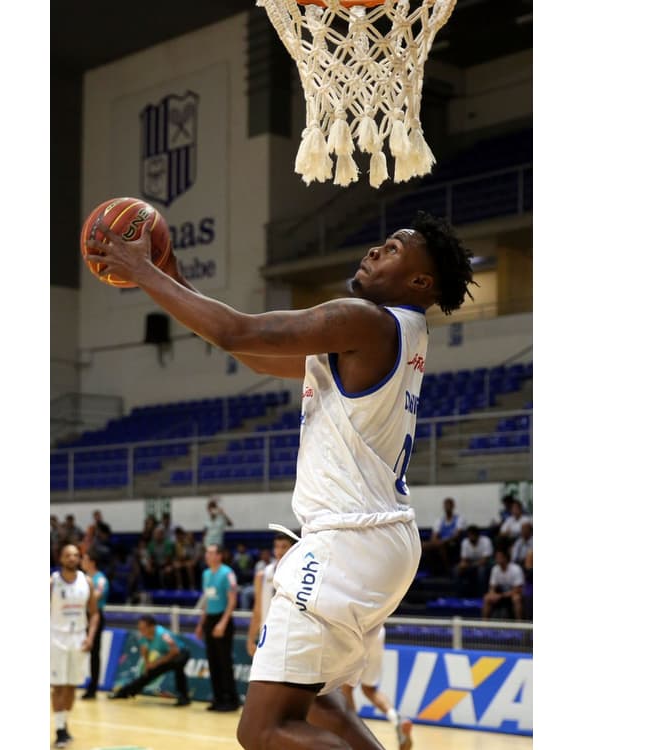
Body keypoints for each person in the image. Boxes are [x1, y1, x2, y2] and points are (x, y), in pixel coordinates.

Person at [85, 209, 475, 750]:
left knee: (261, 729)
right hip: (376, 542)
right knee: (322, 702)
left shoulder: (365, 319)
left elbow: (235, 330)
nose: (373, 251)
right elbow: (253, 355)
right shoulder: (392, 335)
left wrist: (141, 269)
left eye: (391, 248)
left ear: (420, 281)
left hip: (348, 542)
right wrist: (169, 272)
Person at [51, 544, 99, 749]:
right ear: (60, 559)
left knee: (71, 685)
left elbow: (94, 613)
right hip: (56, 636)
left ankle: (64, 723)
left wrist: (90, 637)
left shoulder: (86, 581)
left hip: (78, 636)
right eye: (68, 555)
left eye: (76, 555)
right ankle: (60, 729)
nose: (72, 558)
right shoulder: (52, 582)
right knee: (59, 685)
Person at [340, 627, 413, 750]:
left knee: (346, 687)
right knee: (369, 689)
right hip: (378, 632)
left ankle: (354, 732)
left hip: (357, 631)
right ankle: (396, 719)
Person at [195, 543, 240, 711]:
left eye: (211, 553)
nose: (207, 556)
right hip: (210, 620)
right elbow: (206, 600)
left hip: (223, 620)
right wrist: (201, 624)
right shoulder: (206, 574)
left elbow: (232, 601)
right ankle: (218, 698)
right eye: (206, 553)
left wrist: (223, 622)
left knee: (224, 661)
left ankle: (231, 700)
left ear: (219, 556)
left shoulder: (227, 573)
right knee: (212, 661)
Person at [109, 615, 192, 706]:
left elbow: (175, 651)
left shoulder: (163, 635)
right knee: (148, 673)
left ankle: (184, 698)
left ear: (152, 627)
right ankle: (124, 693)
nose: (141, 630)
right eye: (139, 628)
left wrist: (156, 663)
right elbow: (144, 649)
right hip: (167, 654)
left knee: (178, 668)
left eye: (143, 628)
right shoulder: (144, 635)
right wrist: (147, 663)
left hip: (181, 653)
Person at [246, 532, 294, 657]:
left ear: (293, 548)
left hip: (291, 636)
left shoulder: (299, 574)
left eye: (284, 546)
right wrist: (251, 638)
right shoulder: (262, 575)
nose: (279, 551)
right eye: (277, 546)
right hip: (267, 634)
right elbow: (257, 609)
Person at [80, 552, 110, 699]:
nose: (81, 561)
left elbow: (95, 597)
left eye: (84, 559)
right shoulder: (80, 578)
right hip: (79, 616)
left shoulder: (100, 579)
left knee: (94, 653)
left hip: (94, 616)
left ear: (92, 562)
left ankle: (92, 688)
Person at [421, 497, 465, 575]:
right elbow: (434, 535)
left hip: (452, 543)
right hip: (440, 543)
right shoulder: (440, 520)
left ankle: (447, 569)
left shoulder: (459, 519)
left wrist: (442, 541)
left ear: (453, 506)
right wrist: (435, 541)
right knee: (423, 545)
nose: (447, 507)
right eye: (446, 505)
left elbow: (457, 535)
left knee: (440, 545)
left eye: (449, 505)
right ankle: (431, 570)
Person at [482, 547, 525, 620]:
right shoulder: (495, 569)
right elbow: (492, 587)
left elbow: (517, 590)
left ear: (506, 558)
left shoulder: (516, 569)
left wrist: (501, 596)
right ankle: (484, 624)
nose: (497, 559)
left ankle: (520, 625)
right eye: (497, 557)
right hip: (500, 594)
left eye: (500, 557)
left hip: (512, 594)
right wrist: (493, 594)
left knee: (516, 598)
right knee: (487, 598)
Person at [456, 525, 494, 597]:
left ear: (477, 535)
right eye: (469, 535)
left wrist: (470, 565)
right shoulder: (465, 542)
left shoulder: (486, 541)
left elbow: (485, 560)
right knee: (457, 570)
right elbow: (464, 559)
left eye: (472, 535)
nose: (471, 537)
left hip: (486, 564)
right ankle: (459, 595)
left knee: (481, 570)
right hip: (472, 564)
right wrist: (462, 565)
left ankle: (481, 594)